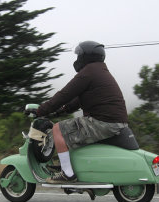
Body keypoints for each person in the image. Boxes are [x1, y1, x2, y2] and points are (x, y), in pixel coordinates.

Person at [36, 41, 128, 184]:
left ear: (86, 56)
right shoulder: (100, 71)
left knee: (57, 129)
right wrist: (61, 111)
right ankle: (71, 167)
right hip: (115, 121)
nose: (77, 59)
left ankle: (67, 174)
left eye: (79, 55)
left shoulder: (89, 72)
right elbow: (78, 100)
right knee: (72, 132)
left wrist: (40, 110)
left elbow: (64, 95)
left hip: (103, 122)